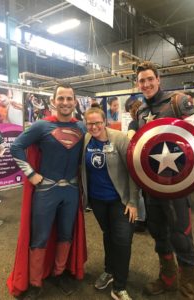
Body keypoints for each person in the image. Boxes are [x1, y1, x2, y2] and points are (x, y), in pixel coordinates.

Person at [135, 62, 194, 300]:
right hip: (151, 186)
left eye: (149, 79)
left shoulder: (178, 102)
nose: (146, 84)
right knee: (158, 234)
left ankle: (189, 291)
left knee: (181, 237)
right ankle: (168, 280)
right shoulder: (140, 112)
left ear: (159, 80)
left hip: (176, 186)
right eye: (141, 81)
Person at [7, 83, 87, 299]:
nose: (65, 102)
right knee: (40, 237)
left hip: (70, 191)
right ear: (53, 101)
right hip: (46, 190)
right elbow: (16, 147)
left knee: (65, 234)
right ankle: (34, 283)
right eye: (61, 98)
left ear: (75, 101)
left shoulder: (82, 127)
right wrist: (31, 174)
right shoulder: (41, 126)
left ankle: (58, 273)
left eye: (69, 98)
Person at [81, 107, 139, 300]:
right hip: (98, 201)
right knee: (108, 235)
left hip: (120, 201)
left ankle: (120, 286)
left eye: (98, 122)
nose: (94, 126)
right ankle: (109, 270)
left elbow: (134, 171)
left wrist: (133, 201)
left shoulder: (120, 139)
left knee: (122, 241)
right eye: (90, 123)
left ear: (105, 121)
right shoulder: (86, 140)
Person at [127, 99, 147, 232]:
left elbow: (130, 139)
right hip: (151, 161)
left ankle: (140, 220)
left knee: (138, 192)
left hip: (138, 160)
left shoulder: (134, 123)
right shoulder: (149, 123)